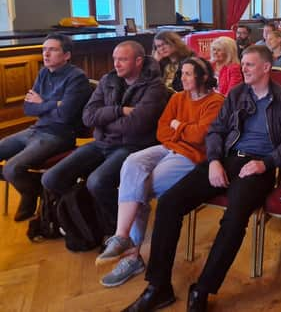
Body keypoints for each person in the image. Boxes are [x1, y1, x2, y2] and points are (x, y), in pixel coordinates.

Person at [121, 45, 281, 312]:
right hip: (226, 159)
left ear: (266, 68)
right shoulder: (237, 94)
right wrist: (215, 160)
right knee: (170, 203)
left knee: (234, 218)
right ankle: (158, 287)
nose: (244, 69)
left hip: (259, 166)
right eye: (243, 64)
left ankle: (203, 289)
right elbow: (216, 131)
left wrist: (265, 164)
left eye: (250, 65)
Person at [96, 57, 224, 288]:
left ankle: (132, 256)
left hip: (192, 156)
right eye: (182, 73)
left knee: (140, 189)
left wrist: (178, 127)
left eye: (188, 74)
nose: (182, 78)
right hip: (169, 147)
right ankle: (122, 235)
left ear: (203, 77)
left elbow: (199, 138)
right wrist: (180, 130)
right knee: (132, 162)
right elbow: (162, 130)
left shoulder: (215, 102)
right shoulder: (177, 98)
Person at [42, 41, 168, 237]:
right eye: (115, 59)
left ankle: (117, 232)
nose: (116, 64)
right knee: (51, 178)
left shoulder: (155, 87)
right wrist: (119, 111)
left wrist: (103, 122)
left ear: (138, 61)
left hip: (133, 147)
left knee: (98, 182)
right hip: (101, 142)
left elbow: (136, 126)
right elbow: (87, 116)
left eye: (123, 59)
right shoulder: (108, 80)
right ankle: (87, 220)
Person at [0, 34, 92, 221]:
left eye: (52, 49)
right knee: (11, 165)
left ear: (66, 55)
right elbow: (28, 108)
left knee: (11, 168)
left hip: (59, 135)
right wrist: (54, 104)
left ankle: (29, 193)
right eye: (44, 50)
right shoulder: (44, 72)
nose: (46, 54)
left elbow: (66, 115)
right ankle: (35, 188)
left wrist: (42, 103)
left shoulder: (77, 78)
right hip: (36, 129)